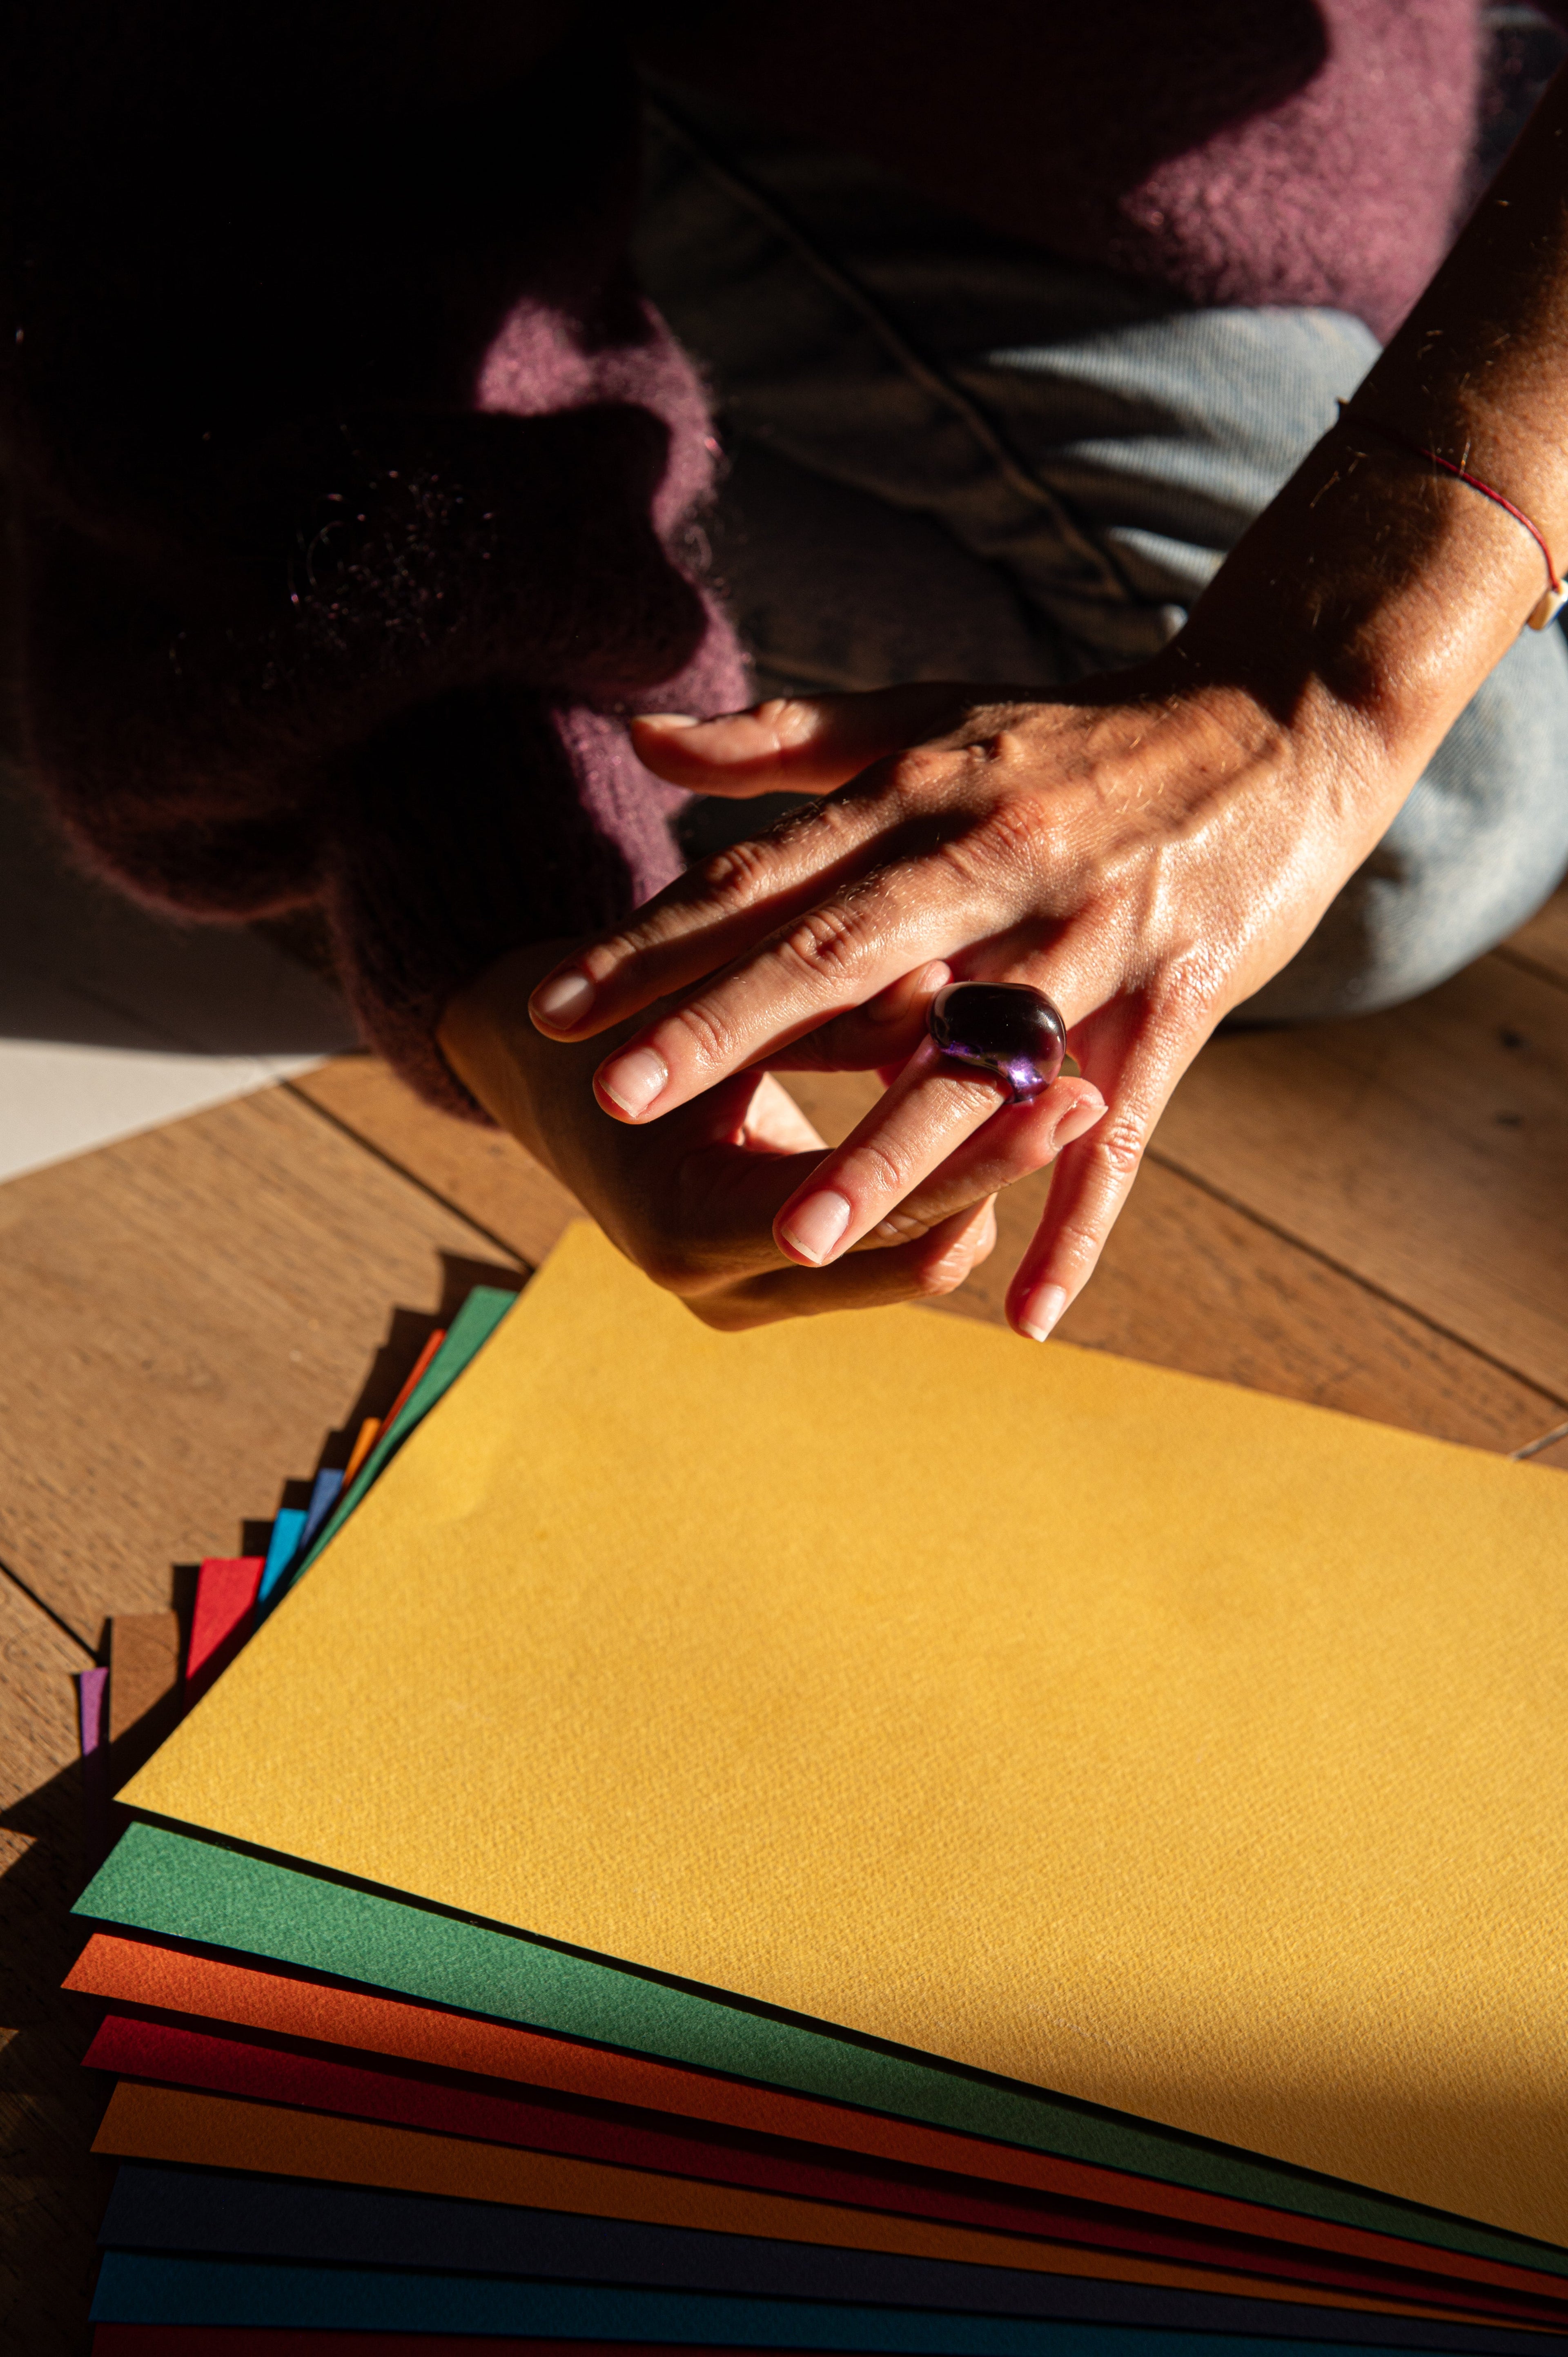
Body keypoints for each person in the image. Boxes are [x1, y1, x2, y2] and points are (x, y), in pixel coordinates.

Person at [7, 5, 1568, 1336]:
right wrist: (468, 816)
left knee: (1416, 773)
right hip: (661, 69)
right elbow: (251, 103)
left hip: (1234, 101)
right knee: (1441, 814)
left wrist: (1326, 695)